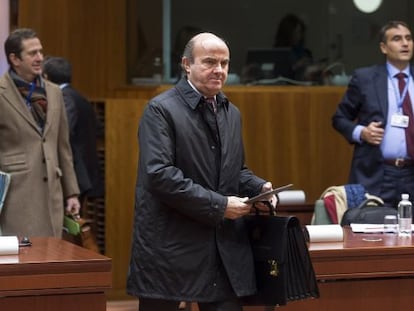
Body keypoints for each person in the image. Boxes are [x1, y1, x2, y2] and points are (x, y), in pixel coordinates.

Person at [127, 32, 276, 311]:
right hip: (170, 247)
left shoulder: (231, 112)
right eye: (209, 62)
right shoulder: (160, 109)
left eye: (225, 63)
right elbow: (159, 174)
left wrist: (258, 187)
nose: (219, 70)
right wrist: (220, 205)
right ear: (186, 64)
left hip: (220, 248)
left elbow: (233, 170)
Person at [0, 28, 80, 237]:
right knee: (22, 262)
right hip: (15, 196)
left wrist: (71, 192)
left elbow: (63, 145)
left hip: (52, 195)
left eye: (40, 52)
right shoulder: (1, 93)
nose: (40, 58)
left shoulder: (53, 91)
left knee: (50, 259)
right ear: (14, 59)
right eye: (32, 53)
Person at [332, 20, 414, 208]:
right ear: (384, 47)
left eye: (408, 38)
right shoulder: (365, 78)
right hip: (377, 173)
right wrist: (361, 132)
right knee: (372, 233)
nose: (405, 43)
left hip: (411, 174)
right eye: (397, 39)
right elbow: (339, 118)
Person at [42, 56, 104, 205]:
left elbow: (63, 132)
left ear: (46, 77)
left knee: (66, 223)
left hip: (73, 172)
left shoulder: (64, 98)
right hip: (83, 172)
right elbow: (99, 130)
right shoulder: (80, 97)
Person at [273, 13, 319, 81]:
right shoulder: (278, 53)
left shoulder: (306, 53)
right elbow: (277, 76)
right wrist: (296, 66)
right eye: (295, 33)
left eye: (299, 32)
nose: (298, 36)